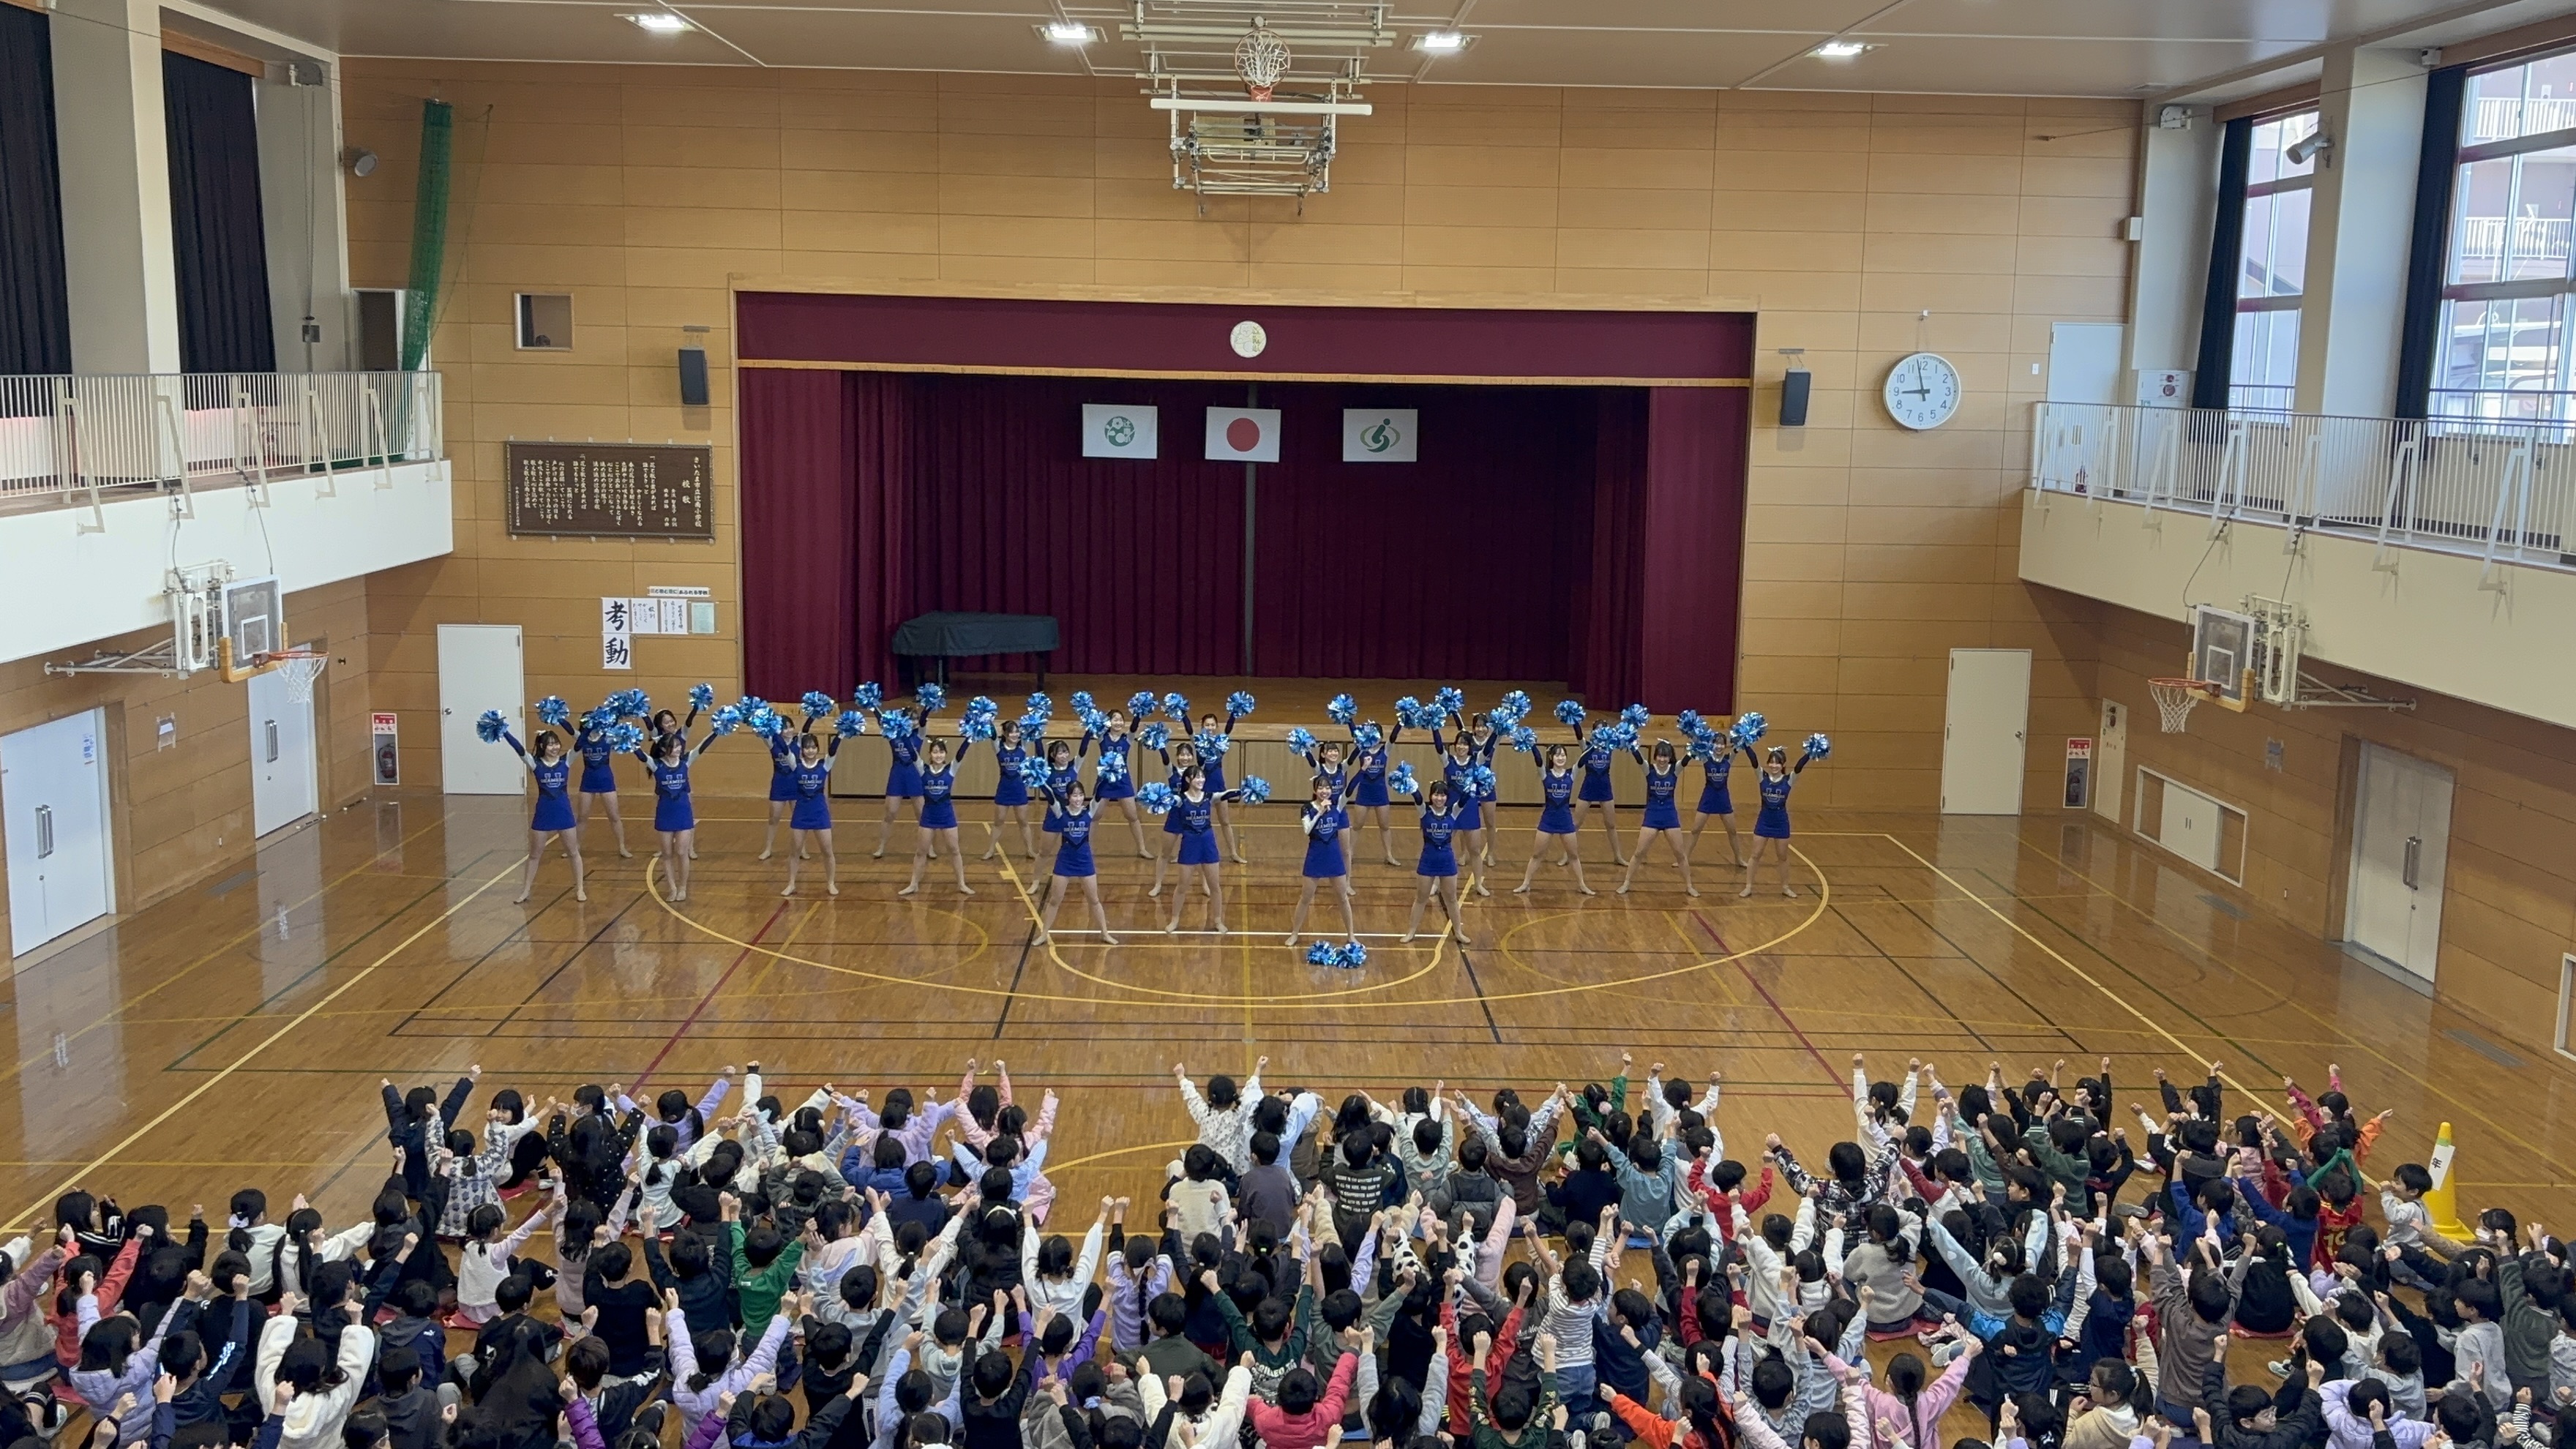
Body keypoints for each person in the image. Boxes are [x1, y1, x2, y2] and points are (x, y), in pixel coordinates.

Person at [632, 721, 723, 904]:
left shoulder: (685, 761)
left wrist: (716, 732)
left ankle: (683, 887)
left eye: (680, 746)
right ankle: (672, 888)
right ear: (665, 749)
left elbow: (701, 747)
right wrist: (627, 740)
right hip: (665, 814)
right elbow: (640, 755)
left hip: (683, 813)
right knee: (667, 854)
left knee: (682, 851)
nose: (679, 749)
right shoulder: (656, 765)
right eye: (675, 747)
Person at [495, 725, 585, 905]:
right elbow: (518, 749)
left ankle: (580, 888)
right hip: (543, 813)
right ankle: (526, 890)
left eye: (556, 743)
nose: (554, 747)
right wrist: (504, 731)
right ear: (543, 747)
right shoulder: (534, 763)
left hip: (564, 813)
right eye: (550, 744)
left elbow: (580, 743)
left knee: (573, 852)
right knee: (535, 855)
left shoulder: (566, 760)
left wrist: (592, 727)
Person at [1161, 767, 1247, 937]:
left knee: (1215, 886)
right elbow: (1163, 801)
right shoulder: (1180, 799)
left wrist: (1245, 790)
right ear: (1188, 780)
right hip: (1189, 843)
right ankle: (1175, 920)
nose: (1201, 780)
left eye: (1202, 777)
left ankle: (1218, 921)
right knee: (1182, 886)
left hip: (1208, 843)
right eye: (1197, 777)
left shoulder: (1210, 797)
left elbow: (1227, 794)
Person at [1033, 779, 1116, 946]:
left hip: (1085, 861)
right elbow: (1049, 795)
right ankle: (1043, 934)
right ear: (1068, 797)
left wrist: (1108, 774)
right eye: (1074, 795)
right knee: (1055, 900)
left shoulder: (1089, 811)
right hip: (1065, 861)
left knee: (1094, 900)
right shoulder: (1060, 812)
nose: (1078, 799)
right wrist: (1039, 779)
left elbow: (1100, 791)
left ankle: (1105, 933)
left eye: (1081, 795)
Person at [1742, 739, 1825, 899]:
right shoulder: (1762, 777)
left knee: (1782, 856)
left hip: (1781, 821)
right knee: (1755, 854)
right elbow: (1753, 761)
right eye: (1771, 763)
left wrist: (1810, 752)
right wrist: (1746, 744)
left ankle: (1785, 887)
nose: (1774, 766)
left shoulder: (1789, 779)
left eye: (1777, 763)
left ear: (1783, 765)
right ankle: (1748, 886)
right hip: (1764, 819)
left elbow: (1800, 766)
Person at [1617, 738, 1699, 899]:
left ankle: (1689, 886)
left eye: (1665, 756)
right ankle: (1626, 882)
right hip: (1652, 815)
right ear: (1655, 757)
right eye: (1659, 756)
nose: (1662, 759)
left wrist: (1698, 740)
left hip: (1669, 815)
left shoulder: (1675, 769)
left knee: (1680, 854)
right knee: (1639, 852)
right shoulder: (1649, 769)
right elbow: (1637, 756)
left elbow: (1689, 756)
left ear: (1670, 757)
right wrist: (1629, 740)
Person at [1283, 774, 1357, 949]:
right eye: (1321, 788)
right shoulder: (1307, 808)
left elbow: (1352, 787)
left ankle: (1351, 934)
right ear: (1315, 790)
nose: (1325, 791)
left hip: (1334, 855)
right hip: (1315, 855)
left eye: (1328, 788)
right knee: (1305, 897)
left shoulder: (1338, 805)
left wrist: (1362, 769)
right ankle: (1294, 933)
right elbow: (1307, 830)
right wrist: (1320, 811)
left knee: (1342, 897)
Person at [901, 733, 976, 899]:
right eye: (935, 752)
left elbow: (961, 754)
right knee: (921, 852)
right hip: (928, 816)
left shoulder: (951, 769)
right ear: (930, 754)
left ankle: (962, 883)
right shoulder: (922, 769)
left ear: (945, 754)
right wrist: (903, 734)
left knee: (954, 850)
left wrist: (970, 737)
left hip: (947, 815)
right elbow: (913, 754)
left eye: (941, 752)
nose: (938, 755)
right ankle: (914, 884)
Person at [1514, 742, 1594, 896]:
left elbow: (1583, 760)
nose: (1560, 758)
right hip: (1548, 820)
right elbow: (1537, 759)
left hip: (1565, 820)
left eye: (1563, 755)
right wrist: (1531, 745)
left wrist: (1595, 746)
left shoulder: (1572, 773)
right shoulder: (1545, 774)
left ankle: (1582, 885)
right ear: (1551, 757)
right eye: (1557, 755)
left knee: (1573, 856)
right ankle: (1526, 883)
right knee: (1537, 855)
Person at [1402, 780, 1474, 947]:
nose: (1439, 798)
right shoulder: (1424, 812)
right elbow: (1417, 797)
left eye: (1442, 795)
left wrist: (1473, 784)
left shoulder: (1453, 812)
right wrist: (1411, 783)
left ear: (1447, 797)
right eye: (1436, 794)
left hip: (1447, 861)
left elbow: (1464, 799)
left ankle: (1459, 932)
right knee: (1421, 898)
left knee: (1452, 899)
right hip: (1428, 860)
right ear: (1431, 796)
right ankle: (1411, 931)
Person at [781, 730, 849, 899]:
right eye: (807, 747)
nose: (810, 750)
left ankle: (831, 883)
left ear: (817, 749)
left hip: (820, 812)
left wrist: (840, 735)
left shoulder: (824, 764)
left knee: (827, 851)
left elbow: (833, 751)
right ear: (802, 750)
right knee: (795, 851)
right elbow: (783, 748)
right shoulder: (795, 764)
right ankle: (791, 883)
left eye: (813, 747)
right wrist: (773, 732)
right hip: (801, 812)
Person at [1083, 708, 1154, 860]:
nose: (1118, 722)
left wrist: (1139, 712)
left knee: (1132, 816)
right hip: (1104, 781)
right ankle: (1086, 848)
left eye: (1121, 719)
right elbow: (1093, 726)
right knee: (1095, 816)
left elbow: (1134, 727)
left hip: (1123, 782)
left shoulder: (1127, 738)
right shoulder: (1102, 737)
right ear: (1109, 722)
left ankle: (1142, 848)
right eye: (1115, 719)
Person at [1568, 708, 1628, 866]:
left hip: (1605, 788)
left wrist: (1631, 722)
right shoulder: (1586, 747)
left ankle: (1617, 856)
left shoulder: (1610, 747)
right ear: (1593, 733)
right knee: (1575, 824)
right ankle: (1567, 855)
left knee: (1611, 825)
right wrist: (1574, 720)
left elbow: (1625, 733)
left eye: (1604, 731)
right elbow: (1579, 736)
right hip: (1588, 787)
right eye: (1598, 731)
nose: (1601, 734)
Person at [571, 707, 632, 859]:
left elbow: (615, 722)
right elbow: (568, 729)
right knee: (582, 816)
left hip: (606, 780)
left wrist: (618, 708)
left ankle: (622, 846)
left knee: (614, 816)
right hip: (588, 781)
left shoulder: (607, 736)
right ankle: (575, 847)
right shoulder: (581, 738)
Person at [983, 716, 1041, 864]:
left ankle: (1030, 850)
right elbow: (993, 734)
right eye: (1011, 732)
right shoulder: (998, 747)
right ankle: (990, 850)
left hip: (1019, 789)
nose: (1015, 735)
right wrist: (988, 719)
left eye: (1017, 732)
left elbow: (1032, 729)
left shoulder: (1023, 746)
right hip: (1003, 789)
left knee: (1023, 821)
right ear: (1005, 734)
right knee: (999, 821)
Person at [1686, 727, 1745, 867]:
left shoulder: (1729, 759)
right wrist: (1690, 729)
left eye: (1721, 743)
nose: (1719, 746)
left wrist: (1745, 733)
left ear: (1725, 746)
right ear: (1711, 745)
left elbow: (1741, 744)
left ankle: (1739, 859)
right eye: (1716, 743)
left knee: (1732, 831)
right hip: (1708, 796)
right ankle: (1684, 859)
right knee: (1695, 830)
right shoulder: (1706, 757)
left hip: (1723, 797)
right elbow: (1695, 741)